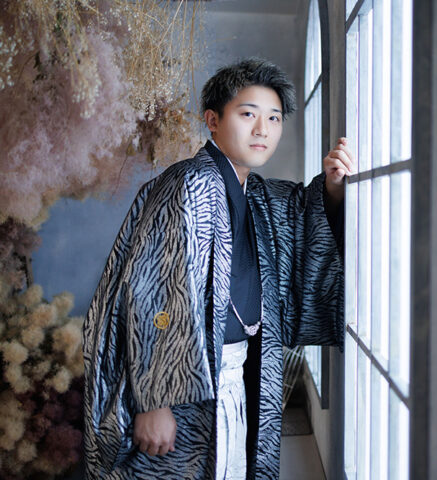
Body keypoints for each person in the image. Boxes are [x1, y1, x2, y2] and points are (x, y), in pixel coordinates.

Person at [82, 57, 354, 480]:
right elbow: (154, 292)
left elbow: (303, 213)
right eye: (248, 115)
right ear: (213, 121)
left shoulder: (255, 193)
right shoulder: (191, 183)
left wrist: (333, 188)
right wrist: (155, 402)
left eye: (274, 118)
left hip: (232, 374)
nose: (262, 130)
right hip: (182, 387)